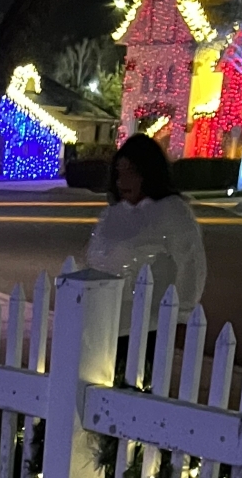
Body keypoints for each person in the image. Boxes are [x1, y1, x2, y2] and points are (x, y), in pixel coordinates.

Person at [85, 134, 206, 360]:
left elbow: (191, 264)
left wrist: (182, 315)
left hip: (149, 325)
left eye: (131, 172)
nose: (122, 181)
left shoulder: (172, 212)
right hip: (105, 322)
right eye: (119, 173)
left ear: (148, 173)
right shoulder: (113, 213)